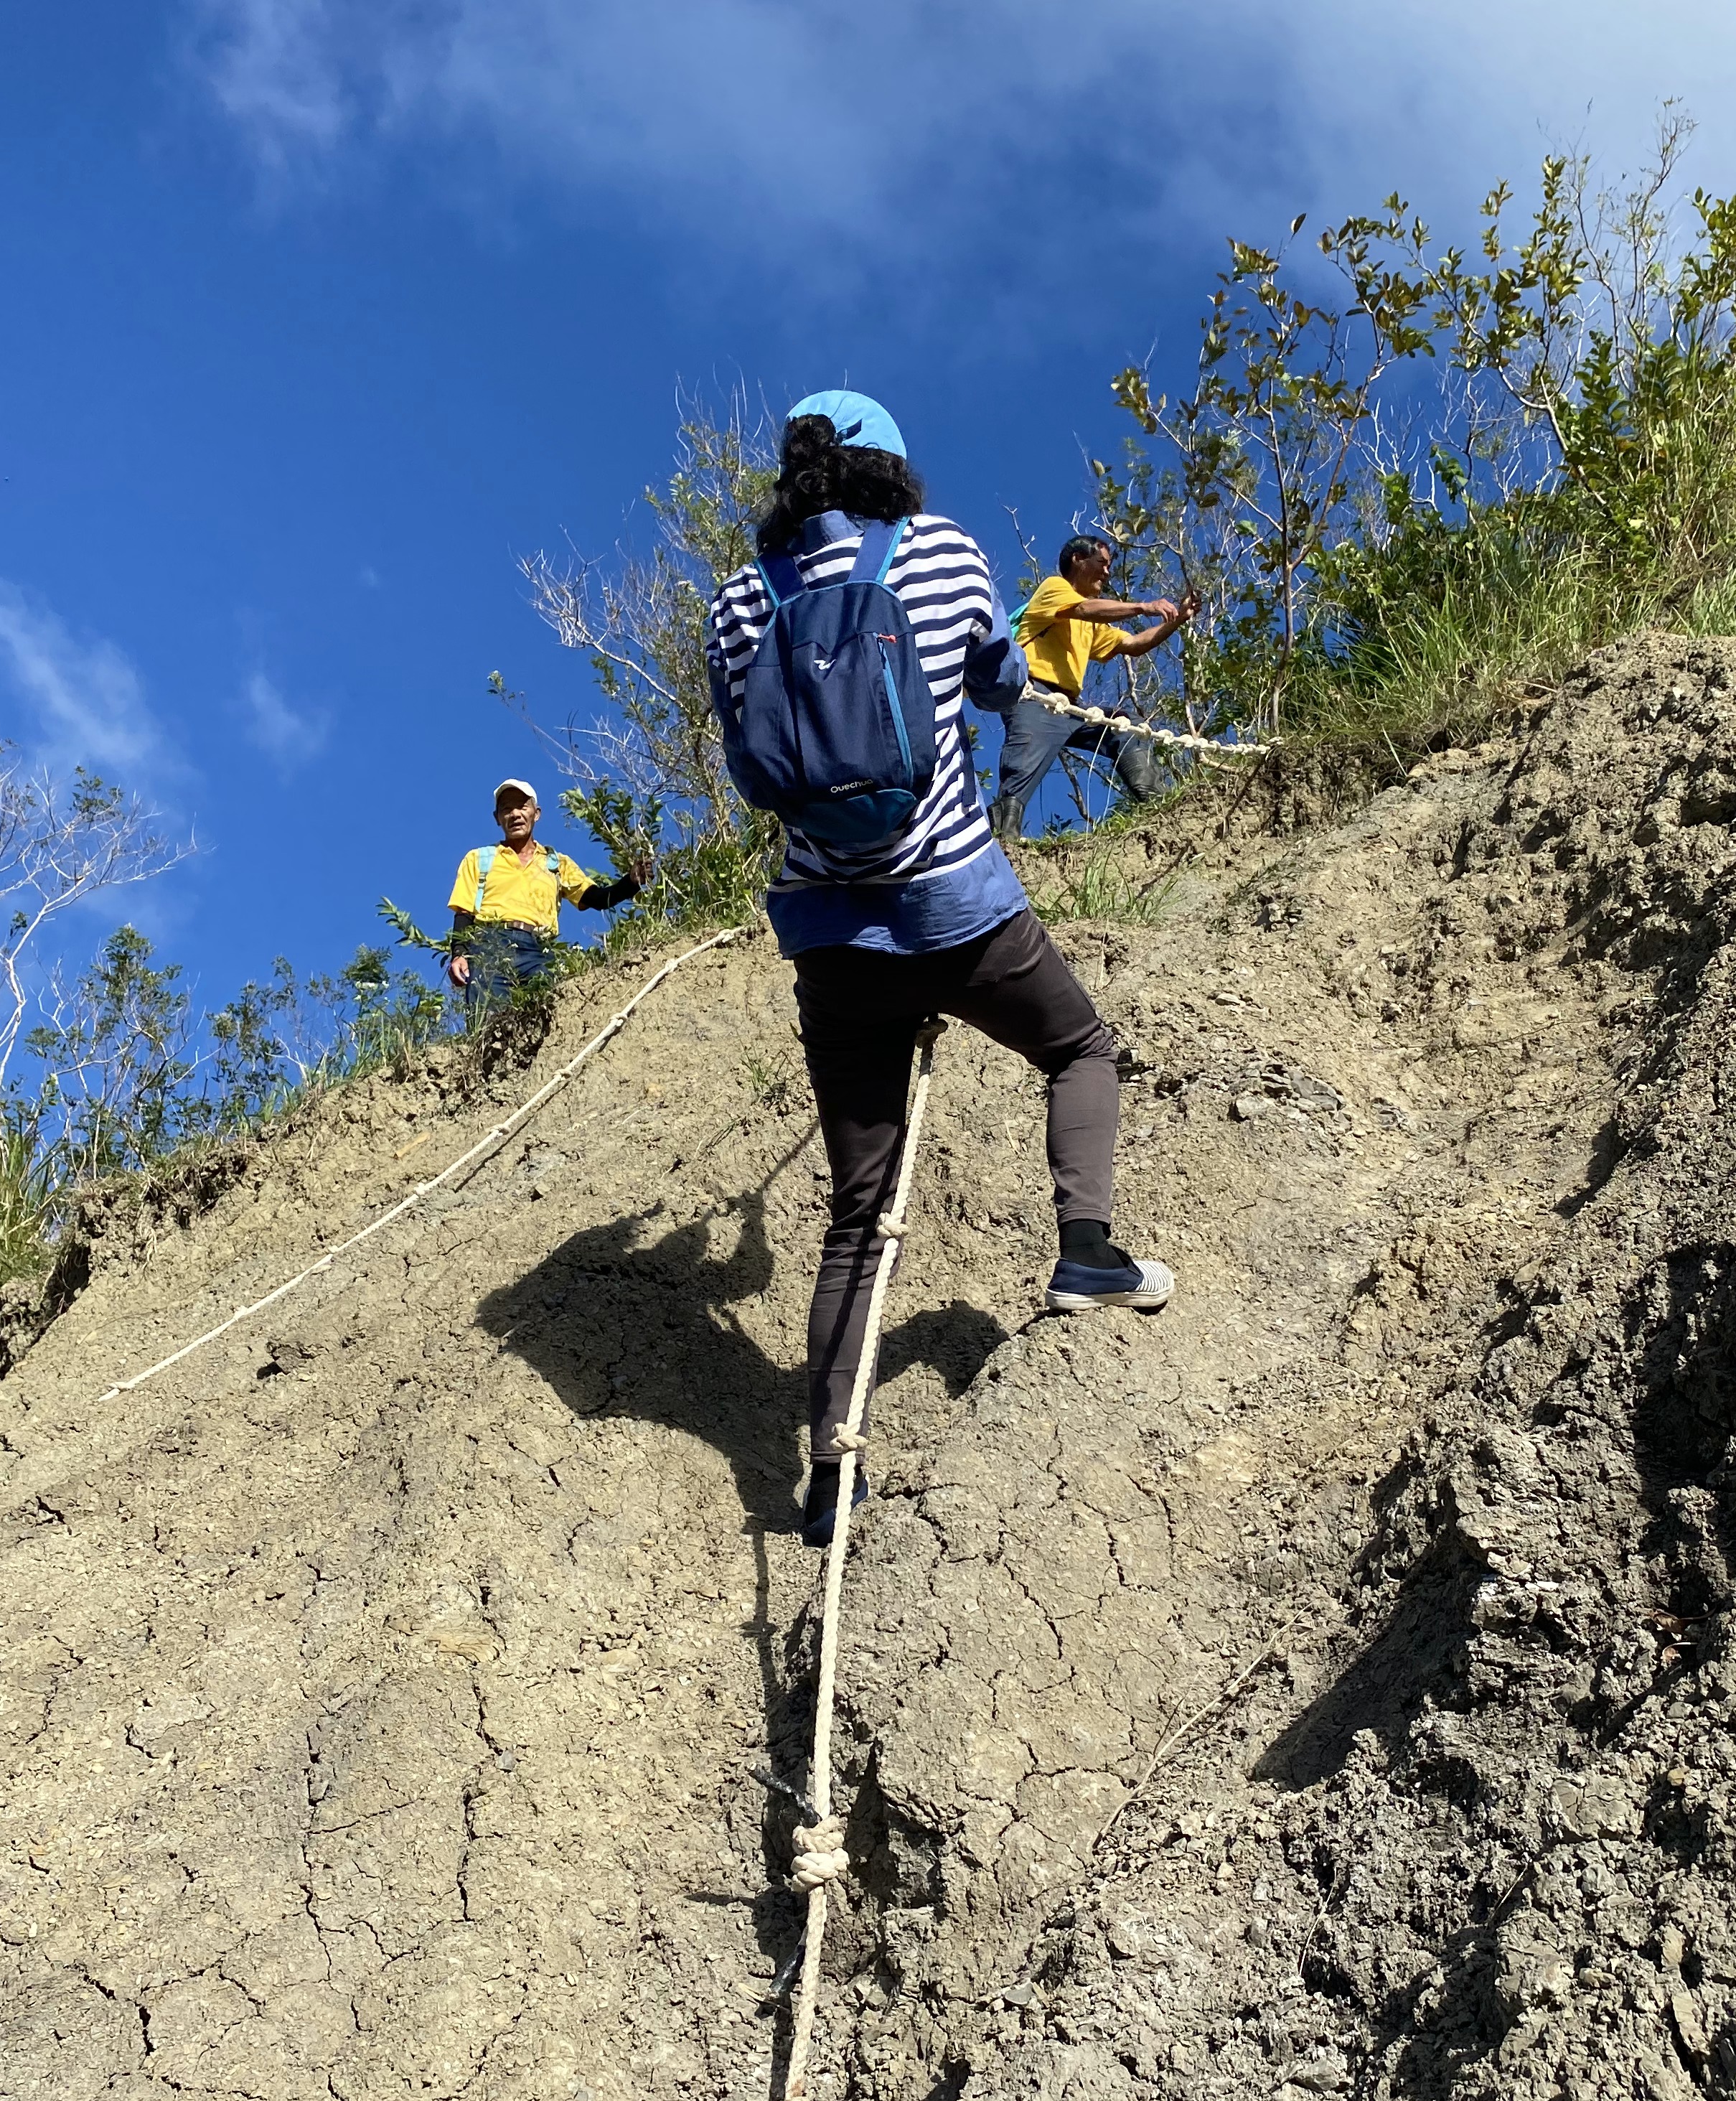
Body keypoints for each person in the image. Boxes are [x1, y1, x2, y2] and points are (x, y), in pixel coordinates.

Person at [705, 393, 1176, 1547]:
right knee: (1077, 1046)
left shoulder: (736, 600)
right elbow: (996, 679)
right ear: (892, 473)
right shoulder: (943, 550)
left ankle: (828, 1471)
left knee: (856, 1213)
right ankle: (1085, 1254)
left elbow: (748, 748)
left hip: (830, 931)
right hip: (955, 902)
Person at [989, 535, 1191, 842]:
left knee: (1128, 728)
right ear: (1078, 560)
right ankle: (1004, 840)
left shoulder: (1093, 623)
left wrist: (1175, 621)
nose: (1107, 572)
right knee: (1021, 770)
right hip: (1035, 696)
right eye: (1102, 563)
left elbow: (1133, 645)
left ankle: (1158, 806)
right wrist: (1143, 606)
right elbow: (1083, 610)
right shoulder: (1055, 588)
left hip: (1069, 706)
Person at [442, 778, 649, 1007]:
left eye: (522, 806)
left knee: (549, 1015)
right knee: (489, 1024)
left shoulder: (557, 863)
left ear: (536, 813)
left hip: (540, 947)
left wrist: (630, 883)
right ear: (498, 818)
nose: (515, 814)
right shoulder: (479, 859)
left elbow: (596, 899)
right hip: (491, 946)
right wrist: (459, 953)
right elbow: (464, 913)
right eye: (506, 809)